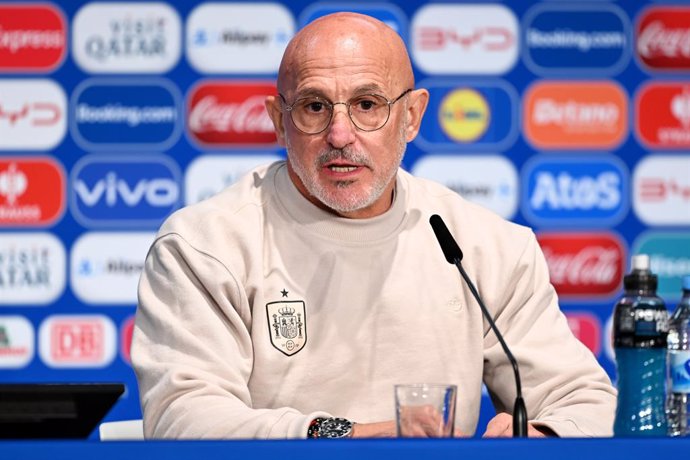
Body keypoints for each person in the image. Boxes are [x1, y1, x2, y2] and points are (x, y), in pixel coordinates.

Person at [132, 12, 616, 439]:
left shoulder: (486, 247)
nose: (340, 135)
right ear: (279, 121)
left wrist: (545, 433)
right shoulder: (204, 245)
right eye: (314, 107)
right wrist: (343, 437)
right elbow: (184, 419)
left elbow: (589, 404)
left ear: (411, 116)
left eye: (367, 105)